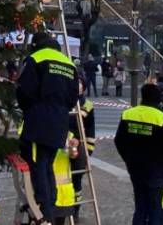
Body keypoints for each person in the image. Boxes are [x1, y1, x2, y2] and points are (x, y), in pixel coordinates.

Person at [16, 32, 79, 223]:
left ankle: (44, 210)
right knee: (47, 163)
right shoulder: (69, 63)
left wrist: (32, 110)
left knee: (38, 164)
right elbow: (73, 97)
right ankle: (50, 204)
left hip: (39, 120)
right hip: (60, 121)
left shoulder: (35, 58)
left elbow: (24, 91)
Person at [115, 84, 163, 225]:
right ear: (158, 99)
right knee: (157, 210)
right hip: (158, 172)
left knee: (140, 207)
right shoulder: (161, 118)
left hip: (135, 169)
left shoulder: (128, 114)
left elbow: (118, 141)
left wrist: (128, 159)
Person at [69, 82, 96, 221]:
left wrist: (88, 152)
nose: (77, 85)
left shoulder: (88, 105)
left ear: (83, 87)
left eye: (79, 83)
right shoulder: (63, 100)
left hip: (79, 149)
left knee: (77, 180)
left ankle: (75, 209)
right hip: (62, 148)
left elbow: (90, 130)